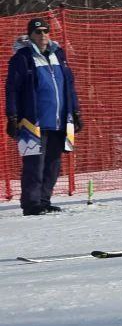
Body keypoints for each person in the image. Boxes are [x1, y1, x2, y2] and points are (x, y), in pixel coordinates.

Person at [5, 18, 82, 216]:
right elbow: (12, 89)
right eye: (38, 32)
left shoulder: (58, 54)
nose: (43, 36)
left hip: (60, 119)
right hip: (32, 121)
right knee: (34, 164)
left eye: (46, 31)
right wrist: (12, 116)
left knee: (53, 163)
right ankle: (31, 203)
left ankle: (44, 200)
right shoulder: (22, 57)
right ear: (30, 35)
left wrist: (76, 111)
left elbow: (69, 85)